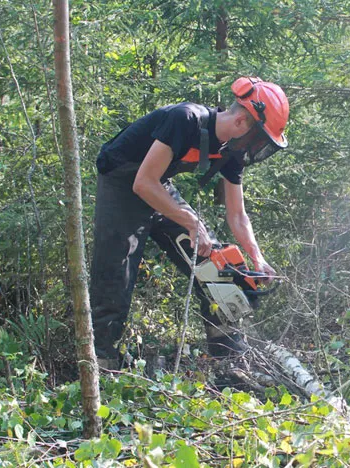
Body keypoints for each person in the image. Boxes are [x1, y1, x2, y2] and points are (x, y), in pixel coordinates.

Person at [90, 77, 289, 368]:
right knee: (116, 274)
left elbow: (237, 214)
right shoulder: (185, 119)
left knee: (216, 265)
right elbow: (142, 183)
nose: (257, 148)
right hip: (123, 178)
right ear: (242, 123)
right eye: (259, 139)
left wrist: (257, 259)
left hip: (157, 183)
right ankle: (100, 365)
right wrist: (191, 222)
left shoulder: (229, 150)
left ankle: (230, 360)